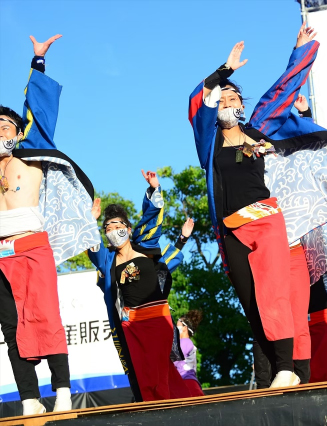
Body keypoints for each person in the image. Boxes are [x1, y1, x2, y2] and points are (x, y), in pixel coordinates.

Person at [188, 25, 327, 387]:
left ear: (242, 105)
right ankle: (282, 375)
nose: (227, 101)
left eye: (233, 97)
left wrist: (300, 52)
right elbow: (197, 101)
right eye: (221, 98)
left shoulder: (258, 132)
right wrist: (225, 71)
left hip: (268, 220)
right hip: (232, 231)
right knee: (254, 308)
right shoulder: (209, 143)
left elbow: (281, 93)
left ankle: (289, 370)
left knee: (276, 293)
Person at [0, 35, 101, 415]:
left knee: (45, 316)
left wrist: (37, 62)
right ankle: (29, 399)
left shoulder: (30, 157)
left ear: (18, 132)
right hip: (0, 252)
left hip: (31, 244)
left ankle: (61, 392)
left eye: (6, 125)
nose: (0, 131)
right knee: (10, 326)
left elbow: (38, 111)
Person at [88, 170, 190, 402]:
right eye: (107, 229)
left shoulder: (144, 246)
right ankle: (154, 410)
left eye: (117, 226)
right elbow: (94, 250)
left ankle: (173, 407)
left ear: (128, 228)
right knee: (141, 372)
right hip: (130, 323)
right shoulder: (108, 260)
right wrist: (91, 222)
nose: (113, 232)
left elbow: (151, 220)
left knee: (160, 369)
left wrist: (154, 189)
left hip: (157, 318)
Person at [174, 310, 205, 397]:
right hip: (189, 384)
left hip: (187, 384)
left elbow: (173, 359)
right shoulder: (188, 343)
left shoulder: (184, 342)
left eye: (177, 326)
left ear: (185, 328)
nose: (175, 329)